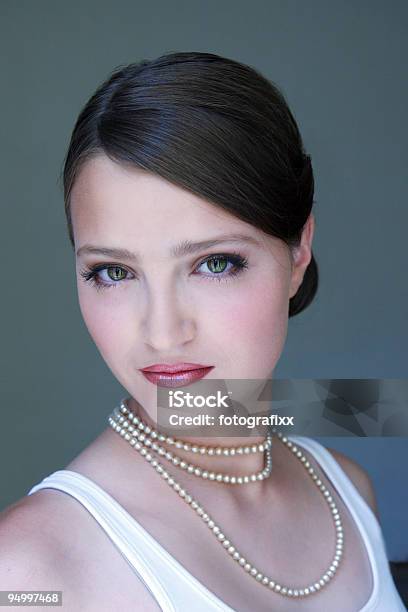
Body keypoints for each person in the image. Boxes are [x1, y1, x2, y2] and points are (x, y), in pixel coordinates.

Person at [0, 51, 405, 612]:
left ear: (298, 251)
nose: (163, 333)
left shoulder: (348, 491)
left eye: (214, 263)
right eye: (113, 272)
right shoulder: (28, 568)